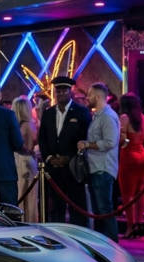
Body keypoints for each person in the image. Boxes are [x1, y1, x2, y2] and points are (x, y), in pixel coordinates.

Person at [38, 76, 91, 226]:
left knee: (77, 207)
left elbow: (84, 136)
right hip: (53, 168)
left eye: (64, 90)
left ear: (70, 91)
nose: (60, 94)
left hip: (73, 168)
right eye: (58, 91)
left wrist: (69, 157)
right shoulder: (48, 113)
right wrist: (49, 158)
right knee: (55, 208)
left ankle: (79, 239)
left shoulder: (81, 112)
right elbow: (42, 138)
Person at [78, 83, 121, 241]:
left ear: (97, 96)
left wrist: (87, 144)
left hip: (103, 168)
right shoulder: (99, 115)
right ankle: (103, 243)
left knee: (104, 209)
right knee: (99, 210)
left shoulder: (107, 117)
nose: (87, 99)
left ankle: (111, 243)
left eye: (89, 95)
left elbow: (110, 142)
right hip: (97, 168)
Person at [118, 94, 144, 239]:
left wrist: (124, 141)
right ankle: (139, 223)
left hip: (129, 155)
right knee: (140, 192)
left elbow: (122, 139)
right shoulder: (143, 118)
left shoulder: (124, 118)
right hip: (143, 155)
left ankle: (130, 226)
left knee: (128, 194)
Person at [12, 96, 39, 222]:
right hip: (29, 160)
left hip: (18, 159)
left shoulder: (18, 126)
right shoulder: (31, 125)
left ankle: (20, 220)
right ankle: (31, 220)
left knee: (20, 194)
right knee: (31, 196)